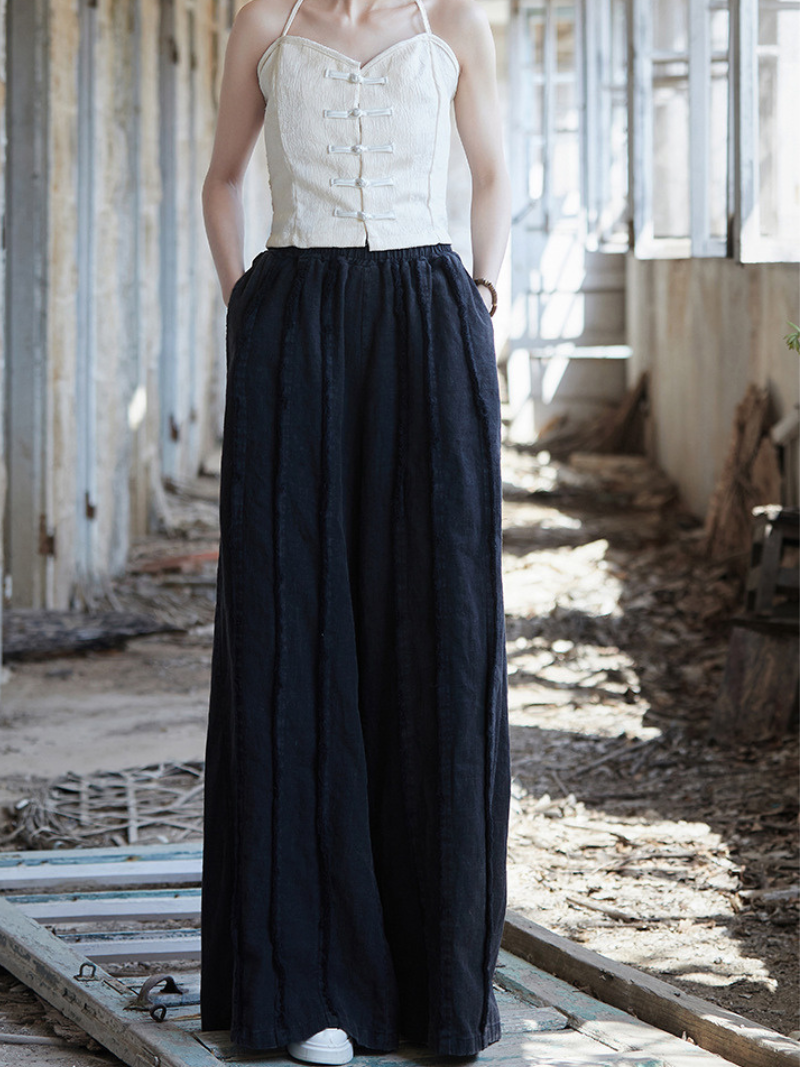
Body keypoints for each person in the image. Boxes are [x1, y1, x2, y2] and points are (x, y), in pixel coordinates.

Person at [199, 0, 511, 1062]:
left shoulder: (452, 25)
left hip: (429, 318)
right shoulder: (260, 28)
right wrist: (248, 304)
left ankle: (435, 983)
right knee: (295, 623)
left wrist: (482, 290)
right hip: (296, 317)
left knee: (438, 624)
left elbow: (492, 174)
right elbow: (223, 180)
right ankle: (306, 983)